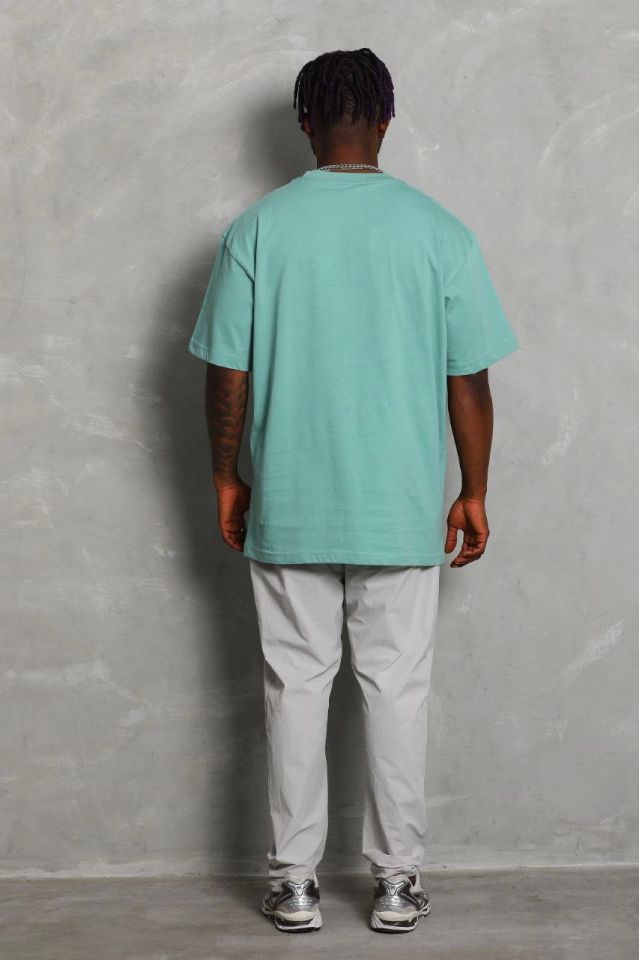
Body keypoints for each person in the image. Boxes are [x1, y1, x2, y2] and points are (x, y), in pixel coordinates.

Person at [187, 47, 519, 934]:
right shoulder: (437, 231)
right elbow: (467, 377)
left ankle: (294, 883)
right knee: (396, 691)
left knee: (293, 689)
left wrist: (225, 476)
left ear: (304, 122)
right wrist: (472, 489)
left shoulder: (258, 229)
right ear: (386, 119)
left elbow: (226, 373)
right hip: (399, 506)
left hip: (290, 503)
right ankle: (397, 882)